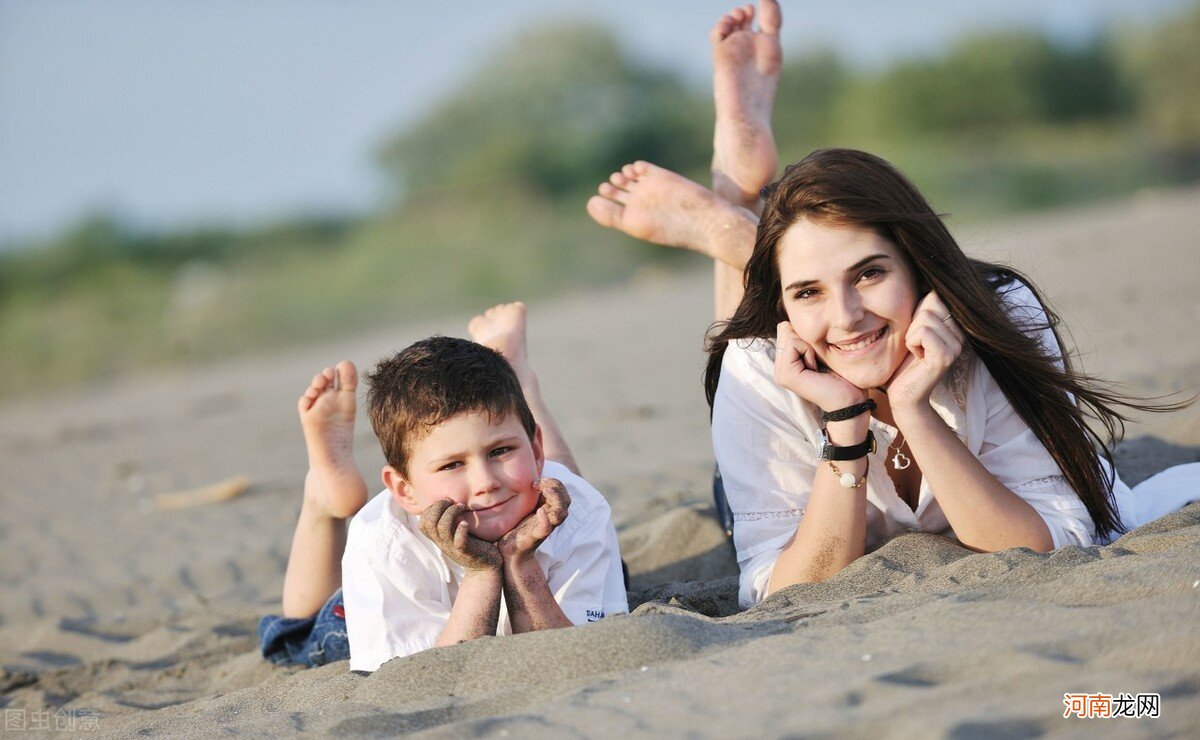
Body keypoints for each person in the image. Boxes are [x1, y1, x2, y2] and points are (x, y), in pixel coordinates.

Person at [587, 2, 1196, 609]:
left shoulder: (999, 317)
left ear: (919, 265)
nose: (847, 314)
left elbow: (1052, 541)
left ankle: (740, 223)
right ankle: (738, 215)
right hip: (789, 410)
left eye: (870, 273)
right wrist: (846, 430)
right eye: (808, 292)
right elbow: (777, 590)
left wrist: (916, 410)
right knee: (743, 341)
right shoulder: (760, 362)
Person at [259, 303, 628, 671]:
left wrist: (520, 560)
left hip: (552, 575)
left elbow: (575, 655)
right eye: (452, 465)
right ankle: (321, 497)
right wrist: (482, 573)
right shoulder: (384, 542)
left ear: (533, 449)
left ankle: (519, 380)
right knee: (305, 632)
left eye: (500, 450)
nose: (485, 483)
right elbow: (430, 679)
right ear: (405, 491)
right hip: (417, 625)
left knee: (567, 486)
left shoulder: (581, 509)